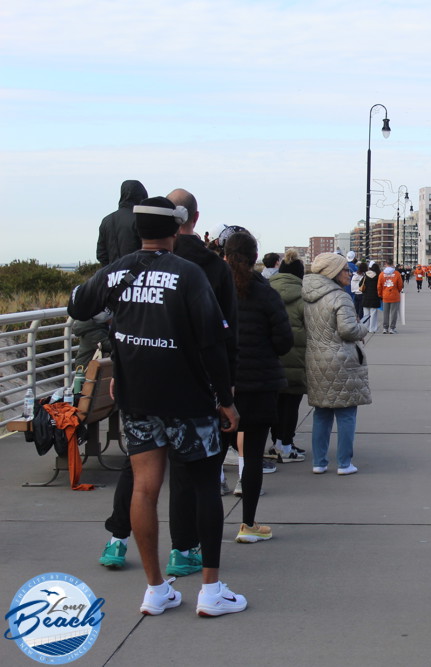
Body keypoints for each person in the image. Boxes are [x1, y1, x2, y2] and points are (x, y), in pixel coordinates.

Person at [68, 196, 246, 617]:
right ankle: (210, 591)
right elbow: (212, 341)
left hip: (137, 398)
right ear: (174, 230)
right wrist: (226, 400)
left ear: (137, 230)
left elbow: (79, 305)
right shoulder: (188, 274)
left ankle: (155, 589)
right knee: (204, 486)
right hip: (188, 398)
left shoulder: (116, 271)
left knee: (144, 488)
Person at [224, 231, 293, 542]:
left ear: (225, 255)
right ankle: (248, 524)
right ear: (255, 258)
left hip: (222, 385)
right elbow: (284, 341)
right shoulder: (266, 294)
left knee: (209, 459)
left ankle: (199, 530)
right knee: (252, 455)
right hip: (260, 383)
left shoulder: (213, 291)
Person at [302, 252, 372, 475]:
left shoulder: (307, 295)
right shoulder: (340, 297)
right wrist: (363, 328)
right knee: (346, 413)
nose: (349, 273)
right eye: (344, 270)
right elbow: (348, 330)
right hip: (341, 359)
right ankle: (344, 463)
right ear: (332, 272)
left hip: (316, 358)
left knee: (321, 413)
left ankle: (319, 462)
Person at [268, 250, 308, 463]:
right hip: (296, 358)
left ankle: (276, 442)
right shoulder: (303, 296)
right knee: (291, 404)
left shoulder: (266, 290)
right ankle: (286, 443)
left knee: (274, 403)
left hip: (271, 358)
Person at [97, 179, 148, 266]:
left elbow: (101, 254)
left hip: (113, 271)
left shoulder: (106, 220)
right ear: (141, 196)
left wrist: (110, 268)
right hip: (137, 270)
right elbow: (149, 251)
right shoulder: (141, 219)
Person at [378, 263, 403, 334]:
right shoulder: (397, 274)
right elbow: (400, 285)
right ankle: (392, 328)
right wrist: (398, 291)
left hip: (385, 295)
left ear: (386, 264)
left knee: (385, 313)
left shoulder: (382, 274)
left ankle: (385, 328)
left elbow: (379, 286)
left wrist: (380, 294)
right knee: (394, 313)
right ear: (392, 264)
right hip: (394, 295)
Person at [360, 262, 382, 333]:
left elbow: (360, 284)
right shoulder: (378, 276)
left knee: (366, 314)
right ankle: (372, 328)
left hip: (366, 297)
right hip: (374, 297)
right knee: (373, 314)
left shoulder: (366, 275)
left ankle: (365, 327)